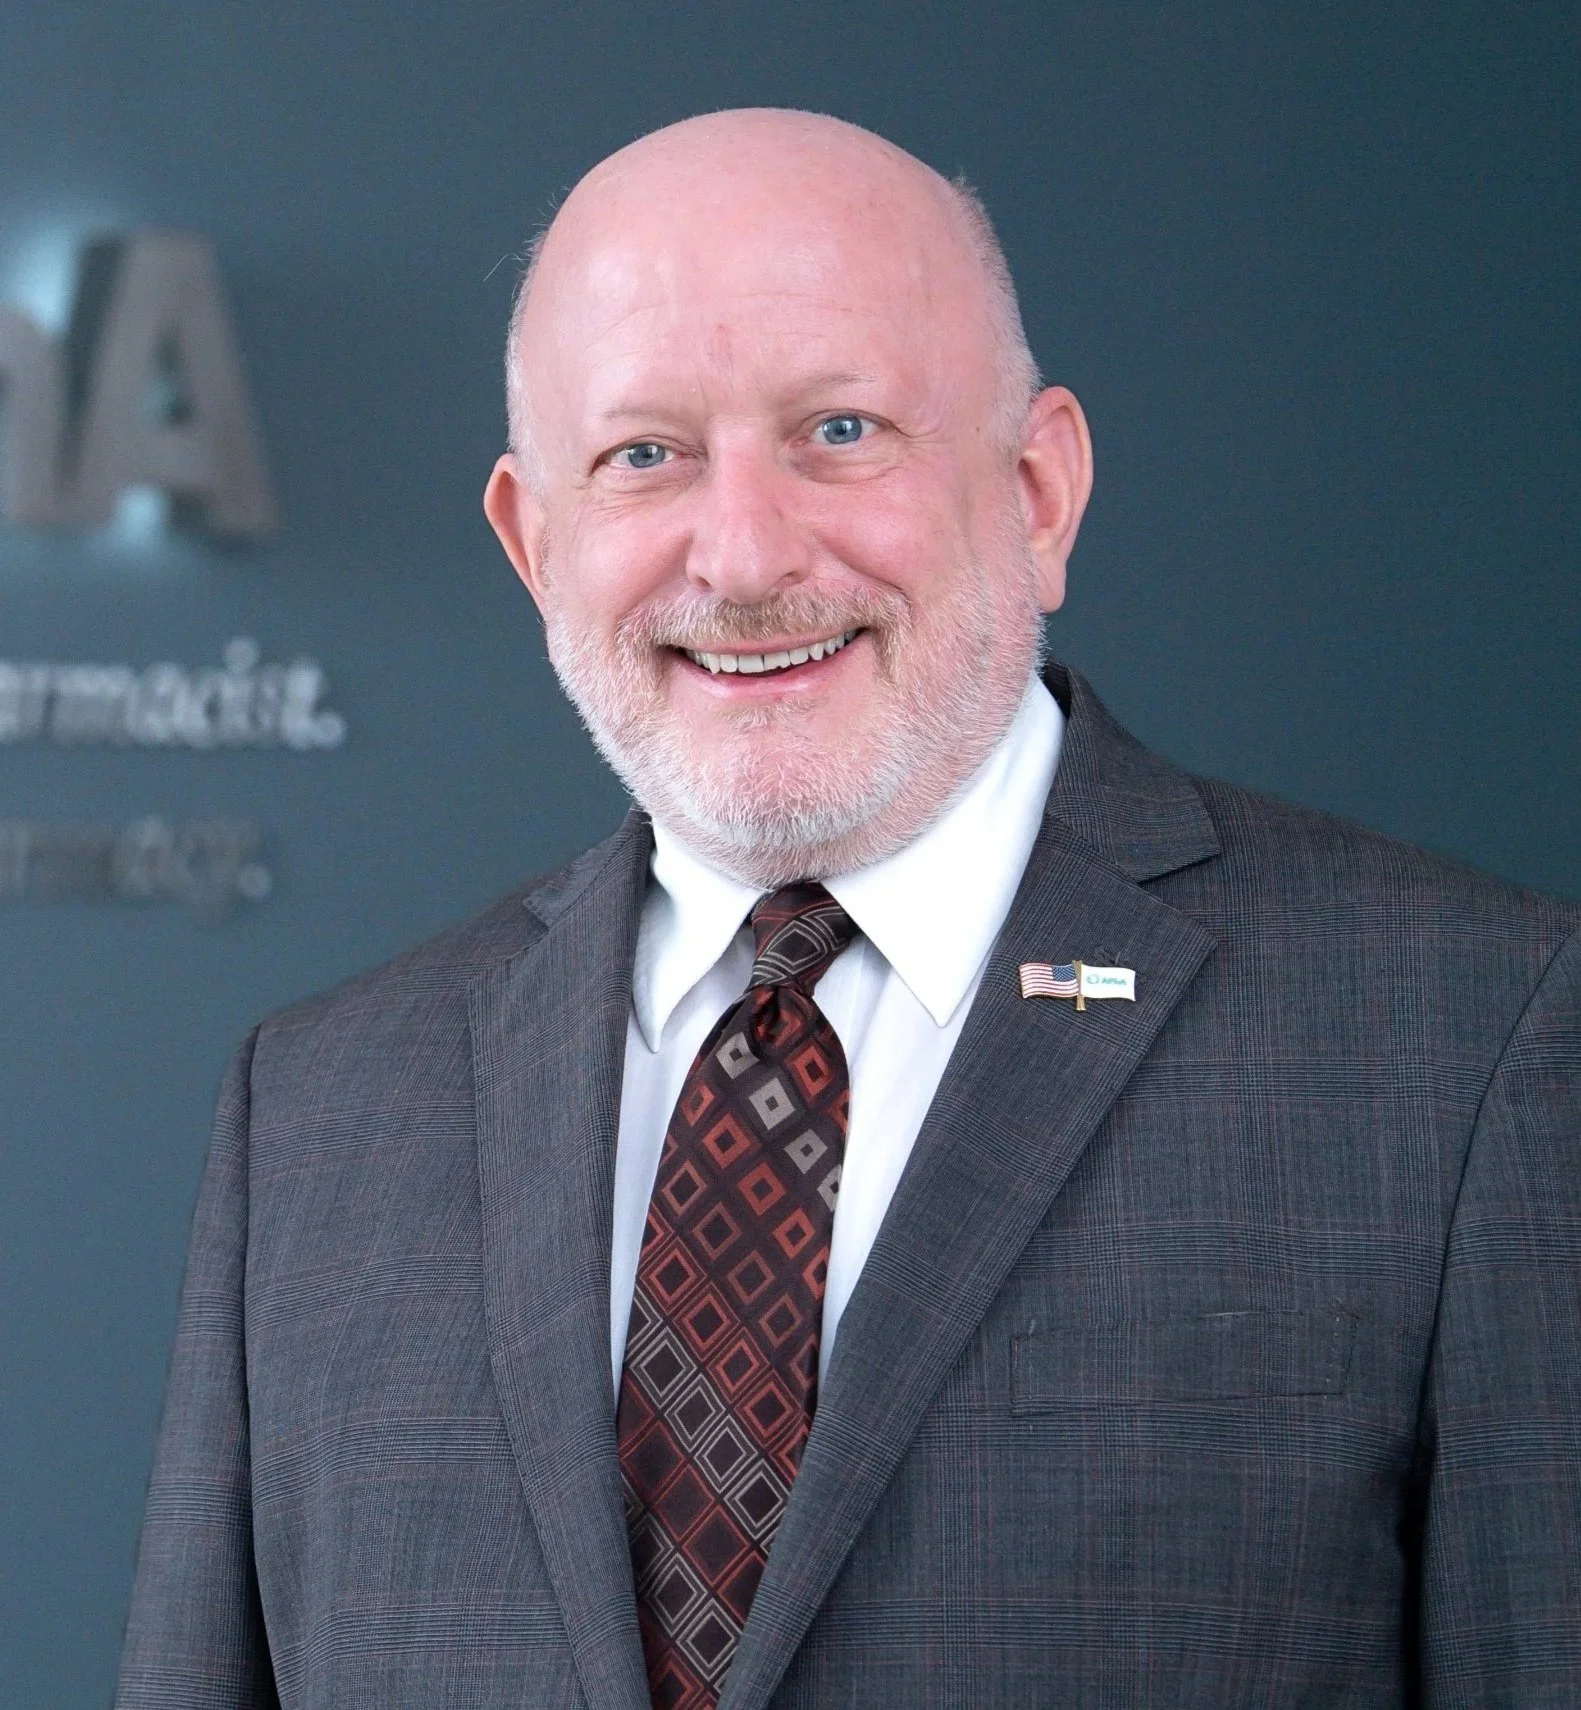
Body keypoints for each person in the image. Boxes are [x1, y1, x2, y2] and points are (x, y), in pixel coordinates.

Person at [117, 109, 1579, 1710]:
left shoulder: (1464, 1045)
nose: (743, 555)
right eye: (645, 454)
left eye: (840, 430)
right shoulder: (316, 1111)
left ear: (1039, 492)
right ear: (536, 543)